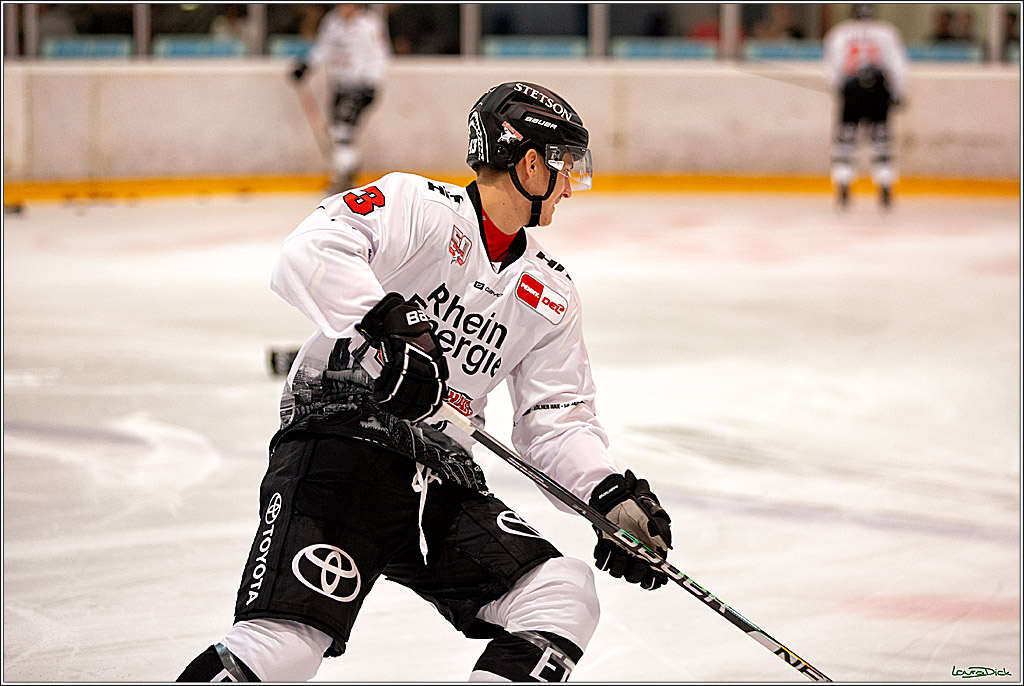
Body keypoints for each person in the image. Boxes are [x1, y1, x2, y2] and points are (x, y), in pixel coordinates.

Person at [176, 81, 674, 682]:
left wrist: (608, 494)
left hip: (439, 480)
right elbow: (309, 250)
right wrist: (384, 324)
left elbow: (555, 418)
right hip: (344, 451)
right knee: (283, 645)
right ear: (531, 162)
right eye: (566, 166)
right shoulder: (418, 204)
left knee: (561, 592)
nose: (571, 185)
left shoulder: (551, 291)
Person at [290, 4, 390, 193]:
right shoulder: (332, 22)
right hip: (339, 86)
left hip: (360, 86)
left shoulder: (369, 25)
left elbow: (379, 55)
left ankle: (344, 176)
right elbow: (323, 48)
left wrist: (372, 83)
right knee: (339, 130)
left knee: (343, 130)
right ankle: (347, 172)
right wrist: (307, 65)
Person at [823, 3, 908, 209]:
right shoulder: (886, 33)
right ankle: (885, 183)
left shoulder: (838, 34)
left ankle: (843, 182)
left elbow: (832, 68)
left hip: (852, 90)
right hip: (878, 91)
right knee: (881, 136)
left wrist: (840, 90)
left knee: (846, 137)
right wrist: (898, 92)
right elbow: (898, 65)